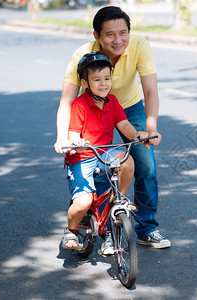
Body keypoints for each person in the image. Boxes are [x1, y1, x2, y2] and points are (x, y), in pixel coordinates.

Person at [55, 6, 170, 249]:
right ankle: (97, 218)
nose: (118, 40)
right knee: (92, 166)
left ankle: (146, 227)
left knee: (145, 165)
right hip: (91, 109)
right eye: (110, 34)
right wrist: (62, 138)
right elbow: (67, 101)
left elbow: (150, 90)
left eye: (123, 33)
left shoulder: (139, 46)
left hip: (126, 107)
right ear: (97, 35)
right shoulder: (82, 56)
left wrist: (150, 129)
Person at [62, 51, 149, 250]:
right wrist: (77, 142)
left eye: (107, 78)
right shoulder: (79, 104)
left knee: (127, 162)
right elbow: (73, 133)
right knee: (83, 202)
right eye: (97, 80)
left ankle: (118, 200)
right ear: (85, 83)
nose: (103, 84)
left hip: (104, 152)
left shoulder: (113, 101)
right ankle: (71, 231)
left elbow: (123, 123)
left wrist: (136, 134)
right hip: (83, 156)